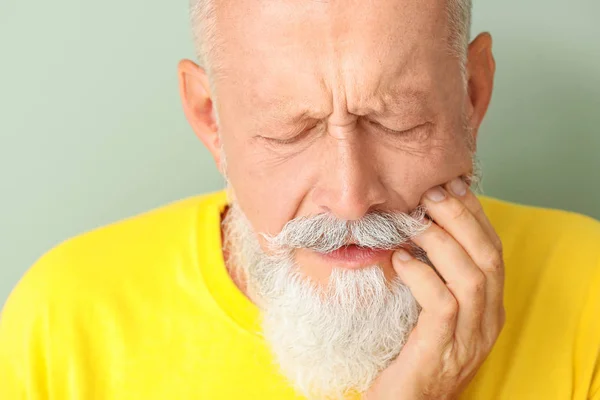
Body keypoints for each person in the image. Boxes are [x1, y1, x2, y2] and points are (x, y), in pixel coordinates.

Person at [2, 0, 600, 398]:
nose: (349, 199)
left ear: (471, 96)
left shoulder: (588, 293)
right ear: (212, 120)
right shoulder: (63, 321)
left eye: (399, 122)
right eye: (289, 131)